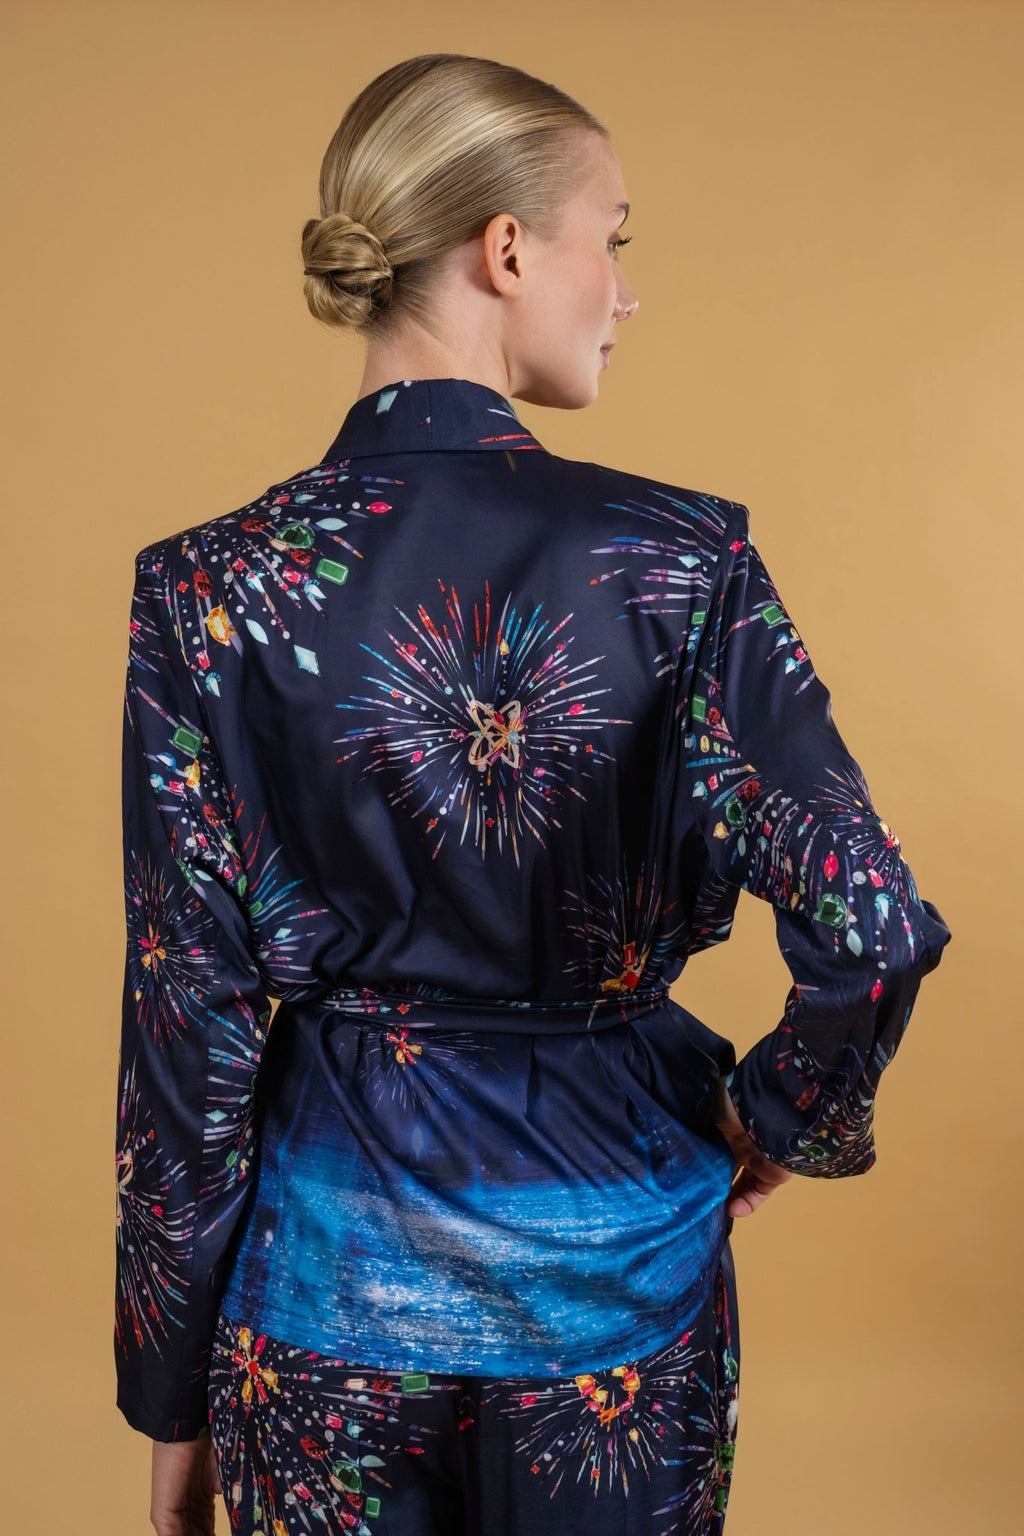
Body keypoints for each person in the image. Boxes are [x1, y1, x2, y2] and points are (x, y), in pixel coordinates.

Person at [114, 52, 952, 1536]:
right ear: (506, 249)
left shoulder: (206, 591)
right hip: (622, 1295)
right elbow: (873, 929)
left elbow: (189, 1022)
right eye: (610, 240)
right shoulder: (681, 563)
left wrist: (170, 1393)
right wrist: (777, 1117)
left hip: (317, 1311)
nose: (624, 293)